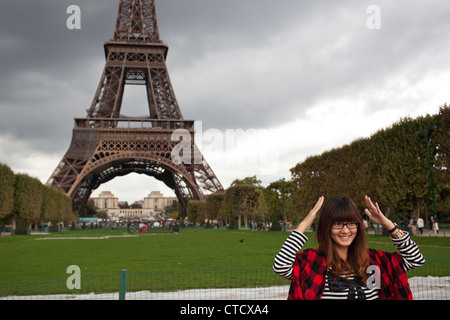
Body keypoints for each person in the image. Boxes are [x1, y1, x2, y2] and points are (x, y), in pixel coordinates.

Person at [273, 195, 425, 300]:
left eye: (351, 223)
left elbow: (415, 259)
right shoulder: (313, 263)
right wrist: (303, 225)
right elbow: (280, 266)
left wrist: (389, 225)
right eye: (337, 224)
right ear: (327, 227)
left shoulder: (374, 261)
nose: (345, 230)